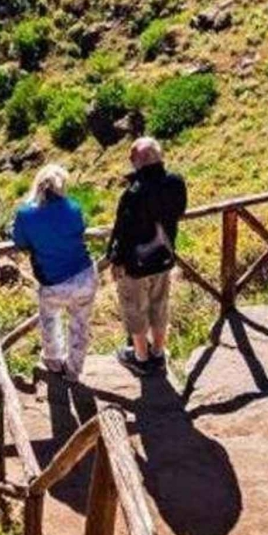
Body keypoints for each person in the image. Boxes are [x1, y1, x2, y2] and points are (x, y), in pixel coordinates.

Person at [108, 138, 188, 376]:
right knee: (159, 305)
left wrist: (115, 260)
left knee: (135, 308)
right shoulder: (175, 182)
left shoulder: (134, 192)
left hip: (136, 264)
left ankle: (141, 359)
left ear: (138, 161)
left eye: (132, 159)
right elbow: (180, 211)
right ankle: (158, 353)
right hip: (164, 256)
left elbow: (122, 231)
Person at [12, 165, 97, 381]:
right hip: (84, 274)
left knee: (50, 320)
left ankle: (54, 361)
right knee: (80, 325)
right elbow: (79, 230)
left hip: (53, 280)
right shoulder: (74, 208)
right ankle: (74, 371)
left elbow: (20, 242)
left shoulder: (25, 214)